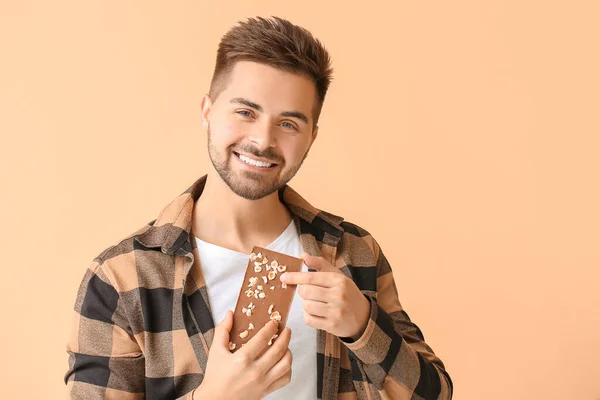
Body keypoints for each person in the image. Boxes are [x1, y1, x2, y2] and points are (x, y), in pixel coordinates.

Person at [64, 16, 453, 400]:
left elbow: (436, 395)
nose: (262, 140)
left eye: (288, 124)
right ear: (207, 111)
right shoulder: (121, 278)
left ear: (311, 138)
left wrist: (363, 326)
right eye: (246, 112)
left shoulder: (354, 252)